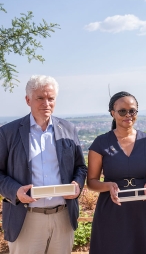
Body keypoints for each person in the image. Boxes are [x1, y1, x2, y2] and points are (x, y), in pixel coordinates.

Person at [0, 75, 87, 254]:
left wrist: (77, 184)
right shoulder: (7, 132)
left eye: (51, 98)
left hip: (63, 217)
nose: (46, 103)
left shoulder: (69, 129)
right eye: (40, 98)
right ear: (28, 100)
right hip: (25, 219)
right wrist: (16, 191)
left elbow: (80, 167)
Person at [87, 91, 146, 254]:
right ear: (113, 113)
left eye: (132, 110)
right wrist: (108, 185)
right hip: (113, 209)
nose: (128, 115)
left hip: (144, 207)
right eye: (122, 111)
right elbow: (91, 181)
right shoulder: (100, 142)